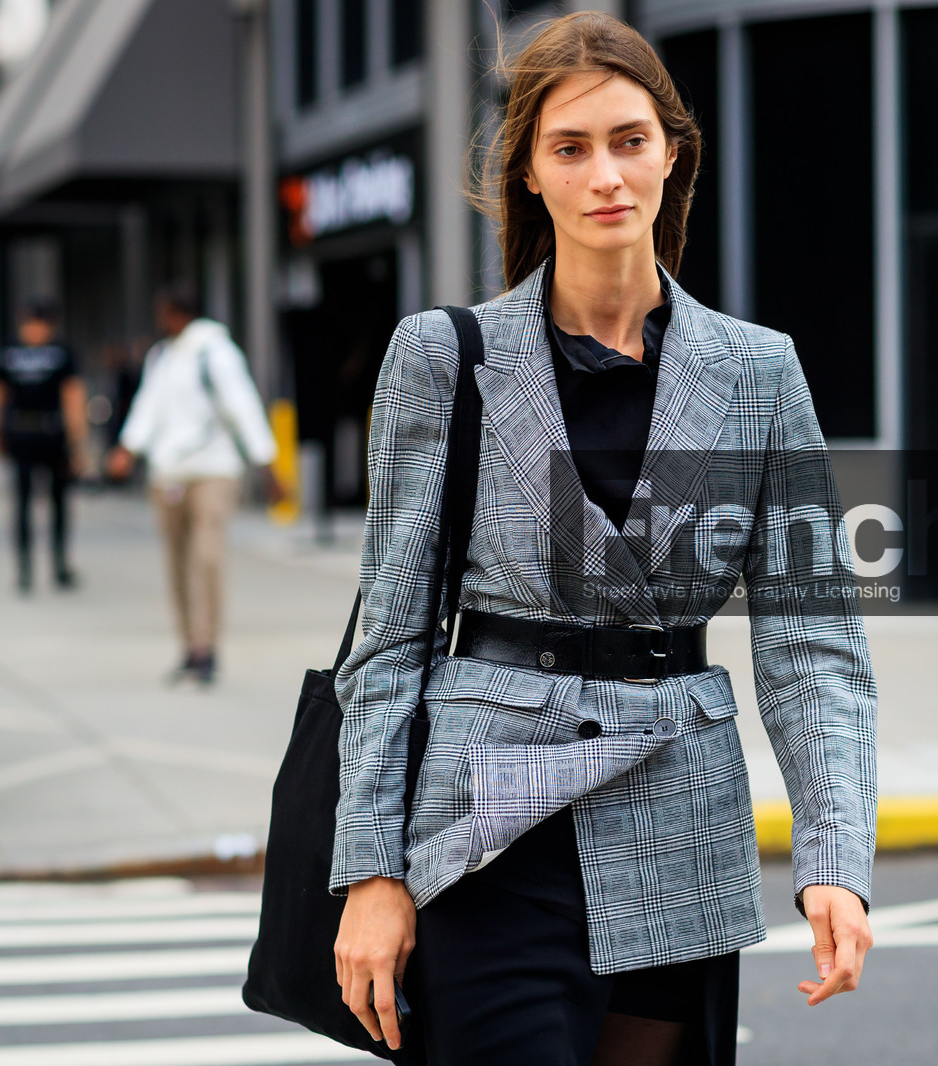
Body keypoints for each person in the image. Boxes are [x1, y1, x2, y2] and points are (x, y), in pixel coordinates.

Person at [330, 13, 877, 1066]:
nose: (605, 175)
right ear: (528, 174)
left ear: (673, 153)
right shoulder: (445, 358)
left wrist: (834, 855)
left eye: (629, 140)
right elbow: (392, 638)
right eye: (569, 149)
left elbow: (815, 647)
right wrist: (372, 870)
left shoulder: (758, 372)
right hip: (487, 833)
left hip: (676, 825)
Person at [106, 284, 282, 688]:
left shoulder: (216, 353)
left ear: (175, 311)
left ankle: (207, 649)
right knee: (176, 563)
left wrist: (267, 464)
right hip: (168, 474)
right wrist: (127, 449)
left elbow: (244, 407)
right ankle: (189, 646)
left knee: (206, 559)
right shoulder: (162, 355)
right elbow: (146, 409)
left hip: (212, 472)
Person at [0, 302, 89, 594]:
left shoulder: (21, 351)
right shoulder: (53, 352)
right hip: (28, 432)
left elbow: (72, 396)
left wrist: (77, 441)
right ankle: (28, 567)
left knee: (55, 503)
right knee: (26, 503)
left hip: (47, 432)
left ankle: (55, 564)